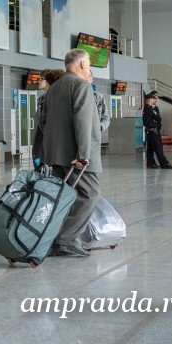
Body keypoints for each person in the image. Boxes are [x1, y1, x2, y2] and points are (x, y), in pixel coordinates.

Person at [43, 49, 101, 257]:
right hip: (76, 155)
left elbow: (44, 122)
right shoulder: (81, 86)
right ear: (83, 64)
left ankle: (54, 239)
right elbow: (83, 122)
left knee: (63, 198)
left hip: (55, 154)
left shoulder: (54, 88)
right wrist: (84, 154)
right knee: (89, 194)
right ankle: (67, 240)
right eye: (89, 65)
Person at [32, 69, 65, 168]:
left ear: (49, 81)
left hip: (48, 141)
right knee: (39, 168)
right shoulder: (42, 99)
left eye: (41, 79)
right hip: (41, 139)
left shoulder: (55, 99)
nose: (39, 81)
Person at [143, 91, 172, 169]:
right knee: (158, 148)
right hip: (153, 131)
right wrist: (156, 119)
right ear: (150, 99)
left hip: (152, 130)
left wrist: (157, 121)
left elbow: (157, 118)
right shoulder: (148, 108)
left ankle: (151, 163)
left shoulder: (149, 108)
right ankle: (164, 164)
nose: (155, 100)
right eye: (153, 98)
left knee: (150, 149)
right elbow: (157, 118)